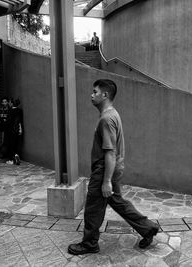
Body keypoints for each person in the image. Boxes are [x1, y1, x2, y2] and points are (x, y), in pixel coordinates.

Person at [68, 79, 159, 255]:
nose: (91, 95)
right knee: (117, 202)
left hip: (104, 170)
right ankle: (147, 228)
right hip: (112, 168)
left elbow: (110, 152)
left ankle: (89, 244)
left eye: (95, 92)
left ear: (105, 95)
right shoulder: (113, 114)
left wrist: (106, 181)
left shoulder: (106, 119)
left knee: (93, 208)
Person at [6, 98, 23, 165]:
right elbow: (19, 121)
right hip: (17, 129)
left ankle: (12, 160)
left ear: (12, 103)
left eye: (9, 102)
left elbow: (8, 122)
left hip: (10, 130)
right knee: (16, 144)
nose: (9, 103)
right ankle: (16, 155)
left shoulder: (10, 111)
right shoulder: (19, 110)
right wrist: (20, 129)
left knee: (11, 145)